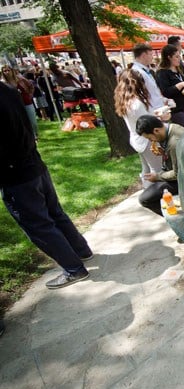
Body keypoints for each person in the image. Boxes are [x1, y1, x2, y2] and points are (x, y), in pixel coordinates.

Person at [0, 81, 93, 289]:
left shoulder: (8, 90)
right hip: (32, 163)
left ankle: (73, 267)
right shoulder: (7, 89)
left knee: (40, 225)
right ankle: (80, 251)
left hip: (17, 173)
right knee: (54, 213)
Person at [114, 69, 163, 190]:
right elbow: (146, 122)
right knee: (156, 171)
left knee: (146, 168)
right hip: (146, 140)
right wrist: (159, 115)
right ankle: (154, 194)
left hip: (136, 139)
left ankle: (148, 192)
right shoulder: (136, 103)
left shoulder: (125, 101)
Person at [135, 115, 184, 216]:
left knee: (145, 199)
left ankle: (179, 217)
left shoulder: (174, 142)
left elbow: (177, 173)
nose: (151, 141)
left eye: (149, 138)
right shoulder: (172, 128)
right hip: (181, 173)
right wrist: (164, 153)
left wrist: (157, 177)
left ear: (156, 130)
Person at [156, 44, 184, 128]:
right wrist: (180, 85)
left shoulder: (180, 69)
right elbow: (166, 92)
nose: (179, 59)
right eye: (176, 57)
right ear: (169, 57)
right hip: (176, 111)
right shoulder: (162, 73)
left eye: (179, 56)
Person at [2, 65, 37, 138]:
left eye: (8, 70)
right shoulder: (3, 84)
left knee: (32, 120)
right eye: (5, 71)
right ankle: (29, 136)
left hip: (27, 102)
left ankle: (35, 134)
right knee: (21, 122)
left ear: (12, 71)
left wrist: (30, 95)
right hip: (14, 106)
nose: (7, 72)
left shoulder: (20, 79)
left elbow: (31, 86)